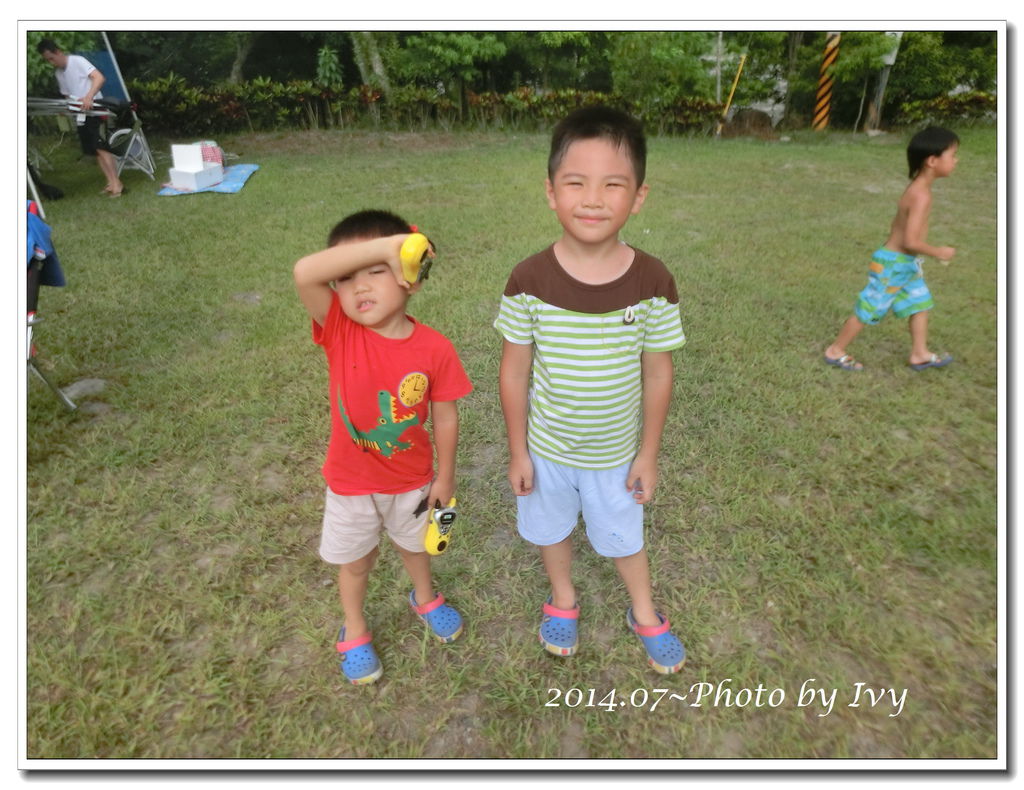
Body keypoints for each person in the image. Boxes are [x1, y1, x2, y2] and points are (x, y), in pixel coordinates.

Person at [494, 106, 687, 674]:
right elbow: (513, 371)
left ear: (639, 196)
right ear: (551, 193)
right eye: (575, 183)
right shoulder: (527, 280)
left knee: (625, 539)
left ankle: (644, 610)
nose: (593, 198)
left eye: (613, 184)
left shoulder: (654, 281)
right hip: (548, 452)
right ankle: (563, 597)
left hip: (615, 456)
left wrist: (648, 455)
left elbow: (658, 372)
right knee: (551, 530)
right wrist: (517, 451)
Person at [293, 210, 472, 685]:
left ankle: (425, 597)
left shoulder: (435, 348)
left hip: (412, 480)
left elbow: (446, 414)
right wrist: (386, 249)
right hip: (352, 484)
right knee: (356, 562)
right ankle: (354, 628)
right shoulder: (339, 329)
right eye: (346, 277)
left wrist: (446, 476)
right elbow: (304, 272)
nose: (359, 287)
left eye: (377, 271)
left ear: (410, 280)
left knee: (416, 548)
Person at [824, 126, 960, 371]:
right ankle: (835, 350)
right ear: (932, 160)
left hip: (905, 265)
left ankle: (919, 353)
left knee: (920, 304)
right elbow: (910, 241)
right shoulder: (921, 195)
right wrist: (939, 251)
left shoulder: (920, 189)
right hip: (893, 265)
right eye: (952, 155)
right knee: (870, 308)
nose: (956, 161)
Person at [37, 38, 125, 197]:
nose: (51, 62)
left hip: (95, 109)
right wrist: (66, 107)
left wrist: (88, 97)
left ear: (58, 52)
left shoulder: (77, 61)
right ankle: (110, 182)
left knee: (101, 146)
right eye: (47, 60)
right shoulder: (59, 73)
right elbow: (67, 95)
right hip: (80, 113)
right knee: (94, 149)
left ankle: (117, 183)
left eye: (51, 58)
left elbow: (99, 77)